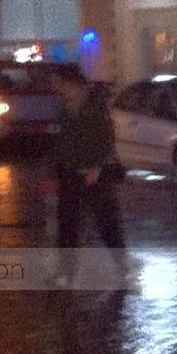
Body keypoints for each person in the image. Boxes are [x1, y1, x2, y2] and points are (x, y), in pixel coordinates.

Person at [50, 66, 126, 288]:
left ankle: (121, 267)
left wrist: (97, 167)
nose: (56, 89)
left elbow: (106, 140)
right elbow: (62, 141)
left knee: (106, 222)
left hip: (95, 175)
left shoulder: (95, 107)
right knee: (67, 225)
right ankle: (66, 272)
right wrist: (57, 166)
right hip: (70, 173)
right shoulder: (65, 108)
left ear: (72, 84)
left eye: (59, 84)